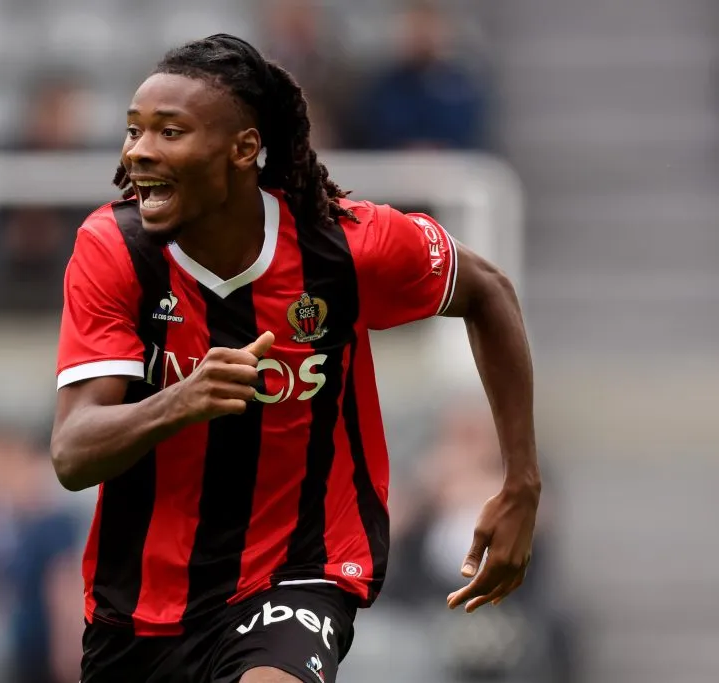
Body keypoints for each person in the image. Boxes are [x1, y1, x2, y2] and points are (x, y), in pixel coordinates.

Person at [51, 34, 540, 683]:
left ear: (243, 149)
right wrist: (181, 399)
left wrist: (521, 485)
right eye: (135, 130)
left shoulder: (343, 246)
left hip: (299, 570)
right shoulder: (115, 251)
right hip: (139, 603)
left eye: (169, 132)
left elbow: (488, 291)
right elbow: (73, 451)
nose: (138, 150)